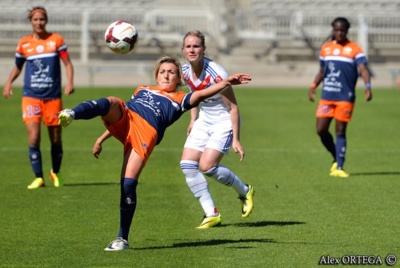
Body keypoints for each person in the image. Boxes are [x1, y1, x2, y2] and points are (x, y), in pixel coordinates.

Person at [57, 56, 251, 251]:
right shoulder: (141, 89)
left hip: (146, 131)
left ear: (178, 79)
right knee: (112, 102)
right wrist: (101, 139)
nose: (166, 76)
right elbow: (127, 113)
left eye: (172, 73)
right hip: (127, 117)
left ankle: (122, 239)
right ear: (156, 75)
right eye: (163, 72)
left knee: (127, 183)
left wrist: (225, 82)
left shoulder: (180, 99)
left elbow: (201, 94)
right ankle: (72, 113)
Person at [180, 30, 254, 229]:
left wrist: (236, 140)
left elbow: (233, 107)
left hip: (223, 122)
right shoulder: (185, 72)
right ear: (183, 49)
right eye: (188, 46)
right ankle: (211, 214)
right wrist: (193, 120)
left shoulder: (216, 74)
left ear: (203, 49)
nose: (192, 50)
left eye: (196, 46)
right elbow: (194, 96)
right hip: (204, 121)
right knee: (187, 165)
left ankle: (245, 190)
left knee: (207, 167)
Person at [2, 6, 75, 189]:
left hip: (53, 97)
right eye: (35, 19)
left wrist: (70, 82)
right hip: (31, 97)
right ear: (30, 22)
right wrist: (9, 83)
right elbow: (18, 66)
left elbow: (67, 63)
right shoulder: (24, 43)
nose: (39, 22)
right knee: (34, 138)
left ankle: (55, 173)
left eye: (42, 19)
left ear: (46, 20)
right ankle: (38, 177)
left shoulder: (56, 40)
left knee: (56, 139)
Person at [308, 17, 372, 178]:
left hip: (345, 97)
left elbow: (363, 69)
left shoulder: (354, 49)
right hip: (327, 96)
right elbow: (322, 71)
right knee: (321, 130)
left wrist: (368, 86)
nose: (339, 33)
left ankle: (340, 167)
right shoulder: (326, 49)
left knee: (340, 131)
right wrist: (313, 86)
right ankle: (335, 157)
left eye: (342, 30)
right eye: (336, 30)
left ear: (347, 30)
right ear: (333, 30)